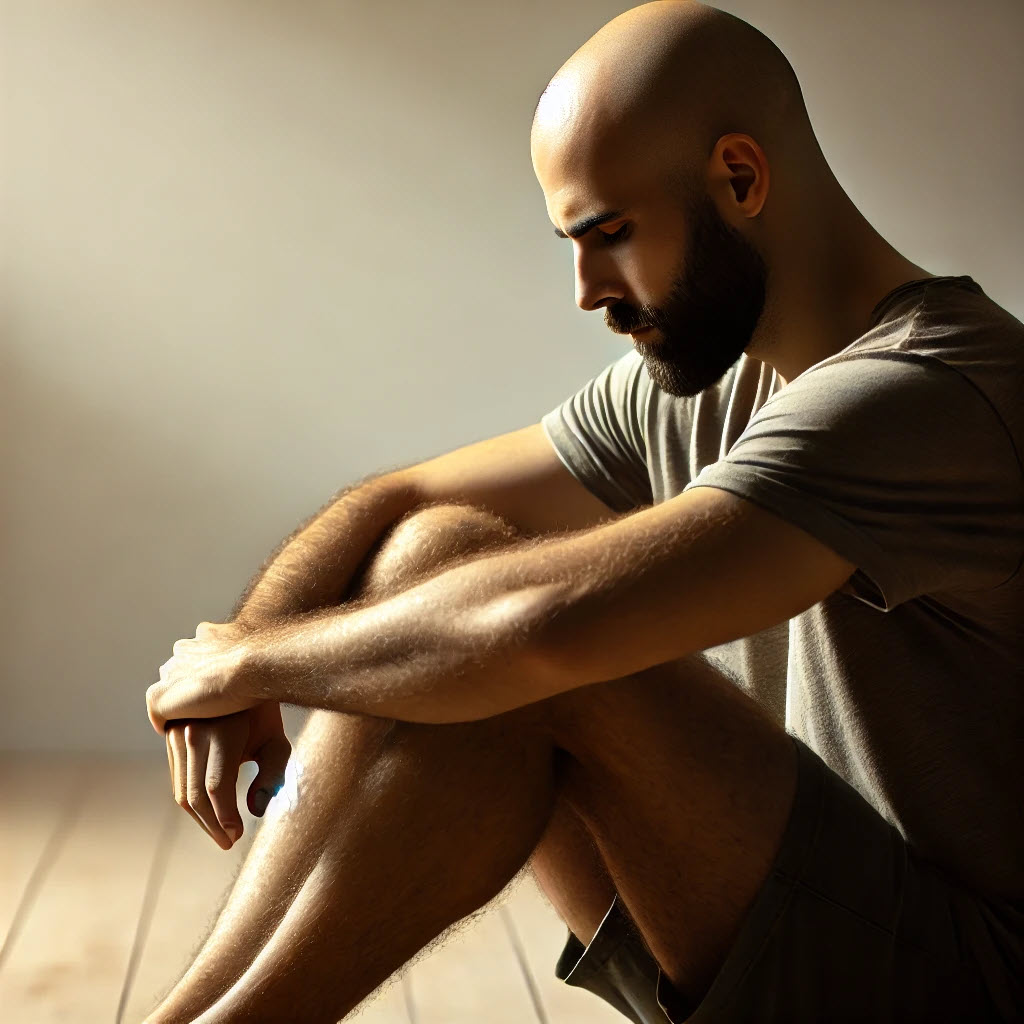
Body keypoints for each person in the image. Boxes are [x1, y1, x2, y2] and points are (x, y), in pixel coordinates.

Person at [142, 2, 1023, 1021]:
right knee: (438, 553)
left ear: (740, 179)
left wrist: (250, 665)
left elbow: (546, 632)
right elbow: (401, 502)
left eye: (609, 234)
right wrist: (246, 643)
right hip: (774, 930)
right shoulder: (704, 380)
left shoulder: (933, 392)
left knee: (524, 645)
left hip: (946, 983)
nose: (584, 290)